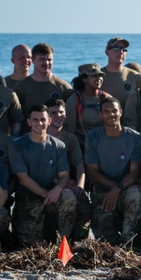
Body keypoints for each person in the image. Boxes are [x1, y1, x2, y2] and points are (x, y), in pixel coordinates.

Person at [11, 104, 78, 246]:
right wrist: (47, 194)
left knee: (69, 196)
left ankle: (65, 242)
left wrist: (58, 188)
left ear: (49, 121)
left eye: (43, 120)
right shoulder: (17, 145)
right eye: (35, 120)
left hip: (52, 197)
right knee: (31, 247)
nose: (39, 123)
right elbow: (23, 179)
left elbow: (65, 175)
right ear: (29, 122)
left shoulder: (58, 145)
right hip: (28, 201)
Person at [84, 97, 141, 245]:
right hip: (104, 189)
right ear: (100, 115)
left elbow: (135, 173)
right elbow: (92, 172)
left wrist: (117, 189)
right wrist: (113, 188)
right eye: (106, 112)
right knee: (106, 241)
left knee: (134, 194)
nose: (111, 115)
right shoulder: (93, 137)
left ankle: (128, 241)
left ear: (121, 112)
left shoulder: (136, 138)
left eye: (114, 111)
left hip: (126, 188)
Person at [45, 99, 92, 239]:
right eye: (53, 113)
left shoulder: (70, 138)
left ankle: (77, 238)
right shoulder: (40, 137)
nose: (58, 116)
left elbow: (79, 165)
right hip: (47, 187)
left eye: (61, 112)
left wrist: (79, 185)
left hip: (67, 185)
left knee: (84, 203)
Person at [11, 43, 72, 115]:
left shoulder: (64, 87)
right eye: (42, 59)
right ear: (33, 60)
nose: (46, 63)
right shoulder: (21, 88)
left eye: (49, 59)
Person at [65, 63, 115, 147]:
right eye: (94, 76)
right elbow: (70, 132)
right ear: (84, 79)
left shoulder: (107, 99)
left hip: (105, 145)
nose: (99, 79)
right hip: (82, 146)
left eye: (100, 75)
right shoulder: (74, 101)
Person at [100, 37, 141, 106]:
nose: (121, 52)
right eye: (116, 48)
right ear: (107, 52)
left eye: (124, 49)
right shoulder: (98, 76)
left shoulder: (134, 75)